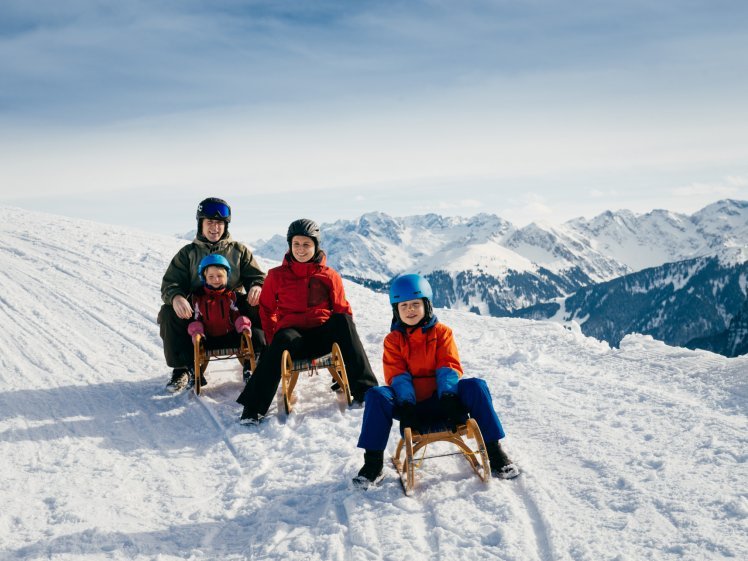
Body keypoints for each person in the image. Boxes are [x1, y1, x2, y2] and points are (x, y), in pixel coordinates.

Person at [353, 273, 520, 488]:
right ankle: (373, 464)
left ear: (427, 305)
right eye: (403, 306)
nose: (410, 310)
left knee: (476, 386)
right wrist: (406, 404)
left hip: (445, 402)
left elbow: (448, 366)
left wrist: (449, 397)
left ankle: (494, 451)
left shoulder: (442, 333)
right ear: (396, 310)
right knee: (376, 395)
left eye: (415, 304)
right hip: (410, 407)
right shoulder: (393, 340)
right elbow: (397, 374)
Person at [236, 218, 379, 424]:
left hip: (323, 335)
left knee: (343, 320)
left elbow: (341, 309)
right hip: (294, 339)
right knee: (281, 338)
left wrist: (342, 333)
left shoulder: (329, 276)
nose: (301, 249)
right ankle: (253, 408)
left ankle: (366, 390)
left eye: (306, 244)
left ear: (315, 246)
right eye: (296, 244)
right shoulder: (276, 276)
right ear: (289, 246)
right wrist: (272, 338)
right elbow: (266, 310)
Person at [159, 197, 266, 392]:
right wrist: (176, 296)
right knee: (168, 312)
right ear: (201, 224)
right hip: (198, 312)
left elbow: (257, 276)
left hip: (231, 311)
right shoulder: (188, 254)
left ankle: (259, 357)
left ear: (225, 226)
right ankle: (182, 368)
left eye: (219, 223)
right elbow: (171, 282)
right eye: (209, 222)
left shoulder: (238, 251)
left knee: (259, 302)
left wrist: (257, 286)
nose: (214, 228)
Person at [186, 254, 255, 386]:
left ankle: (248, 367)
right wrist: (197, 332)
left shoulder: (230, 296)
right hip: (208, 338)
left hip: (229, 336)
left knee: (247, 340)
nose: (216, 279)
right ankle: (195, 373)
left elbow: (236, 314)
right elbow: (196, 319)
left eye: (220, 276)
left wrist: (243, 325)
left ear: (226, 276)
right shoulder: (198, 298)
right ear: (204, 277)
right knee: (191, 343)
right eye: (211, 276)